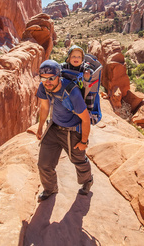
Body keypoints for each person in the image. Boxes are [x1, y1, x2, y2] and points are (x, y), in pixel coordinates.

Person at [36, 59, 93, 202]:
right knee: (44, 164)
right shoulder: (43, 87)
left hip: (72, 131)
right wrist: (40, 127)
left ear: (58, 77)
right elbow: (44, 107)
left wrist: (84, 141)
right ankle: (50, 189)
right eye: (43, 78)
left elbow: (85, 119)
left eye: (51, 78)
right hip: (54, 128)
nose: (47, 82)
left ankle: (87, 181)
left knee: (79, 160)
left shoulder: (71, 92)